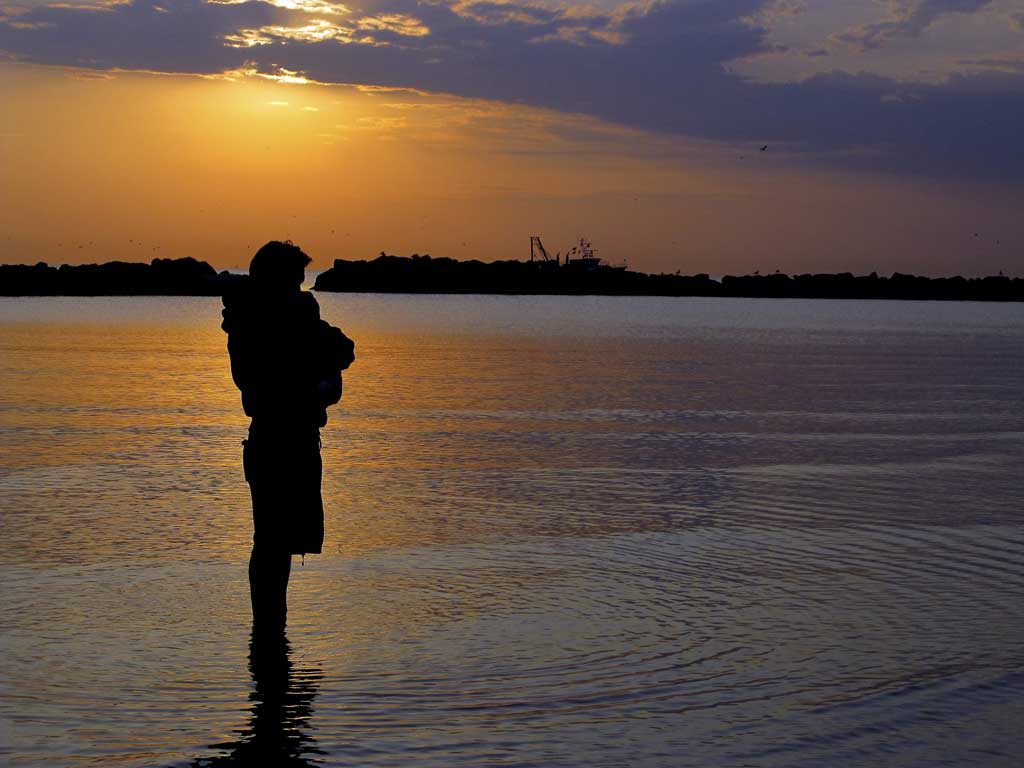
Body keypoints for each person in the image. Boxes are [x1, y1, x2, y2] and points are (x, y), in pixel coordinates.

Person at [221, 241, 355, 632]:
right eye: (295, 282)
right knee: (272, 544)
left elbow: (341, 349)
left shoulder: (253, 319)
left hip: (278, 438)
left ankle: (268, 632)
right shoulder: (272, 320)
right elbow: (339, 349)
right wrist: (319, 382)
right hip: (280, 440)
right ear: (278, 280)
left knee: (273, 543)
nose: (301, 289)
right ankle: (268, 631)